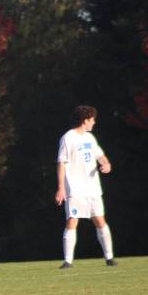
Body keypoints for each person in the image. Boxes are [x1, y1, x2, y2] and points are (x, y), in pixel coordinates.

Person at [55, 105, 116, 268]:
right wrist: (61, 188)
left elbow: (100, 156)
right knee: (72, 221)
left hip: (93, 188)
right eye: (92, 120)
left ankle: (109, 258)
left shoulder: (90, 138)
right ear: (85, 121)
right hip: (75, 189)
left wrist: (106, 164)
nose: (94, 123)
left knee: (100, 220)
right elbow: (61, 163)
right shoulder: (68, 138)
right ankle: (68, 261)